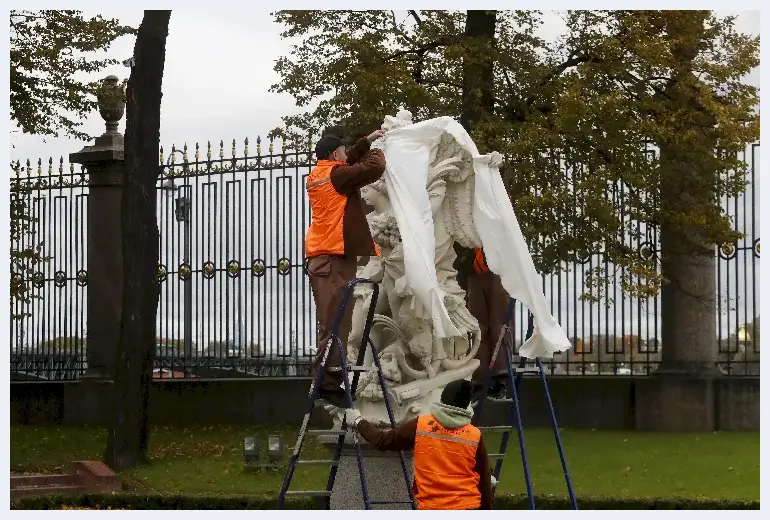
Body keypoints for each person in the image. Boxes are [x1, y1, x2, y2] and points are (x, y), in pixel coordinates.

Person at [305, 129, 387, 408]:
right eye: (341, 150)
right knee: (334, 325)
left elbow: (349, 162)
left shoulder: (323, 173)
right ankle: (326, 384)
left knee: (335, 323)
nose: (345, 153)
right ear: (333, 155)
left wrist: (367, 141)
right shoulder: (338, 176)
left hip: (327, 258)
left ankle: (328, 380)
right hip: (332, 259)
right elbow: (374, 168)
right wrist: (382, 148)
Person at [344, 379, 494, 510]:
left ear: (442, 399)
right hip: (468, 506)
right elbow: (484, 479)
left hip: (432, 507)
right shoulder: (474, 435)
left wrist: (358, 421)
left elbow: (382, 440)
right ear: (465, 406)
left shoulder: (421, 425)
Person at [469, 247, 512, 400]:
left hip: (497, 271)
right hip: (475, 272)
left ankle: (500, 379)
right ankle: (479, 378)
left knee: (498, 326)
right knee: (478, 328)